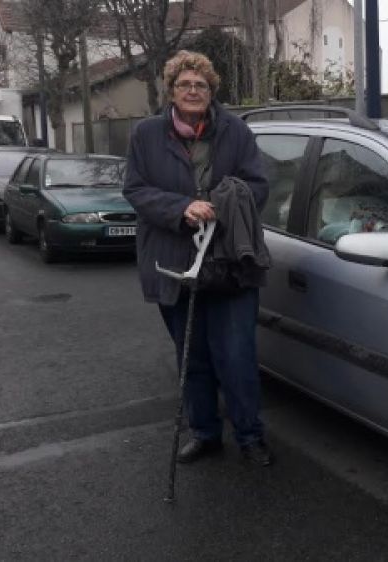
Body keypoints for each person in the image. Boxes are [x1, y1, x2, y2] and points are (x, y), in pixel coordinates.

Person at [123, 50, 273, 466]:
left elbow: (258, 186)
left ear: (211, 92)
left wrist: (222, 204)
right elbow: (135, 191)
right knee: (192, 356)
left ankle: (250, 435)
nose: (193, 91)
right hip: (175, 262)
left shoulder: (237, 132)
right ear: (171, 91)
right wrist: (180, 208)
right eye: (185, 84)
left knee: (236, 355)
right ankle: (205, 432)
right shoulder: (146, 135)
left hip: (229, 261)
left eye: (201, 85)